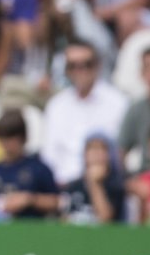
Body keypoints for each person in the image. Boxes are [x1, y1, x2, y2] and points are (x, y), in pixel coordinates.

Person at [42, 41, 129, 186]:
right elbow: (49, 155)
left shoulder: (118, 103)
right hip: (63, 186)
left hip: (105, 186)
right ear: (66, 70)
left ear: (98, 66)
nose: (80, 70)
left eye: (86, 64)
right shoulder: (56, 105)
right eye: (72, 66)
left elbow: (121, 153)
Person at [0, 110, 59, 221]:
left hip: (31, 229)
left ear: (24, 138)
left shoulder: (39, 169)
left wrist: (29, 199)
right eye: (4, 138)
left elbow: (57, 202)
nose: (8, 144)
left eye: (13, 138)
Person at [63, 134, 126, 225]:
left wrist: (94, 183)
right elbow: (63, 219)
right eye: (92, 149)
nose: (97, 153)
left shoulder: (116, 186)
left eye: (102, 149)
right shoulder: (73, 186)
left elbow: (105, 219)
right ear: (85, 154)